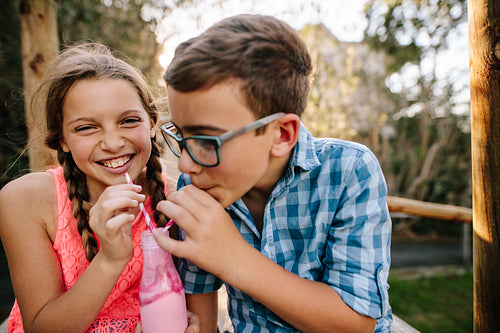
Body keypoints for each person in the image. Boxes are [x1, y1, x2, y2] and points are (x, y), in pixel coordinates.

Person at [154, 14, 392, 333]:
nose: (185, 164)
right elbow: (202, 312)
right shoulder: (198, 183)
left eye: (207, 141)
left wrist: (233, 258)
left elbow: (355, 323)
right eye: (180, 135)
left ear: (281, 134)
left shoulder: (349, 170)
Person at [0, 43, 198, 333]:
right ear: (63, 139)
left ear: (152, 124)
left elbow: (199, 316)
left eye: (128, 121)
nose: (113, 142)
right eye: (86, 128)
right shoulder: (25, 201)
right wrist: (111, 258)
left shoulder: (178, 202)